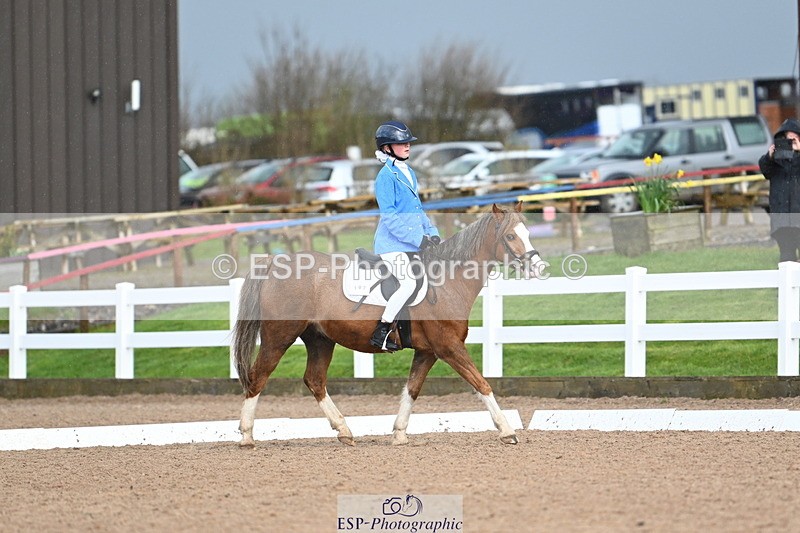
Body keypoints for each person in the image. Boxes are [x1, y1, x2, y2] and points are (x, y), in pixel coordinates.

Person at [370, 120, 440, 351]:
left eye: (408, 142)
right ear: (387, 148)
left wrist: (432, 233)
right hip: (391, 245)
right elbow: (389, 217)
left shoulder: (408, 171)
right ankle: (381, 330)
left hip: (411, 244)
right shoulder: (385, 176)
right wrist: (417, 239)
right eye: (401, 143)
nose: (408, 146)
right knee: (409, 282)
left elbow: (417, 209)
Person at [759, 118, 800, 263]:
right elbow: (765, 170)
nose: (791, 144)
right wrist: (770, 156)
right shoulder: (775, 161)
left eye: (794, 139)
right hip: (782, 220)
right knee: (787, 258)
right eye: (788, 140)